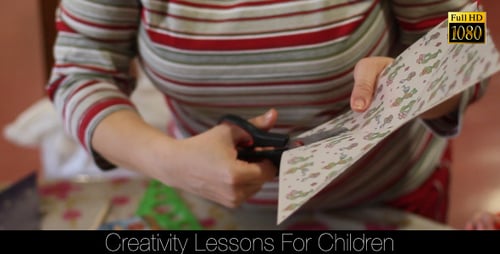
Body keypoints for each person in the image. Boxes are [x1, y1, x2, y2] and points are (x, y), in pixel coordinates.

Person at [46, 0, 486, 228]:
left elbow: (469, 28)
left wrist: (421, 81)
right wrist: (169, 162)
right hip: (215, 207)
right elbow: (78, 71)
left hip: (382, 195)